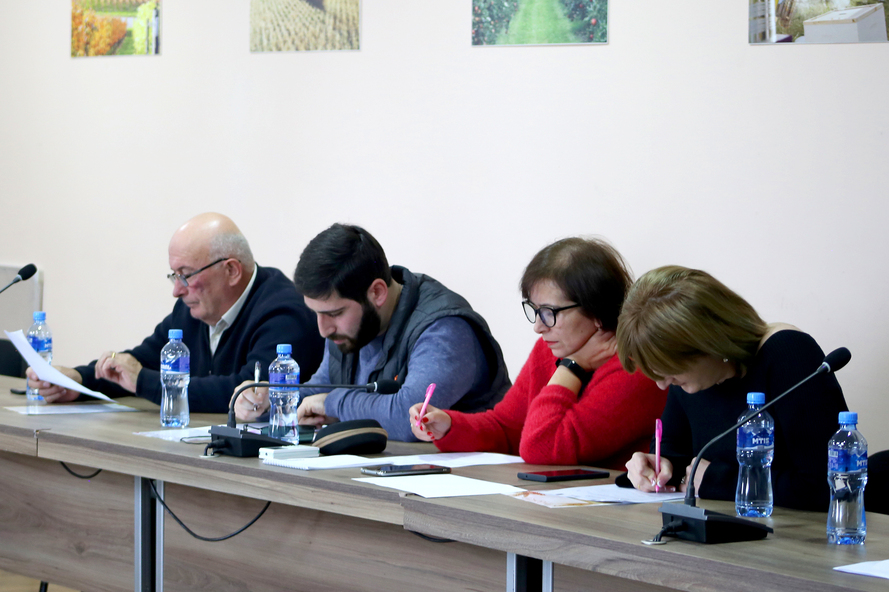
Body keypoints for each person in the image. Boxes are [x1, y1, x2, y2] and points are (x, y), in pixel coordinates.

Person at [234, 223, 511, 441]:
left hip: (469, 484)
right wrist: (269, 403)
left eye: (334, 313)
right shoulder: (349, 329)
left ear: (377, 292)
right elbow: (318, 391)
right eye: (317, 313)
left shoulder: (444, 328)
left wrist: (333, 404)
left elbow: (410, 419)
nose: (323, 329)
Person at [25, 213, 324, 413]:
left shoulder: (285, 312)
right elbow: (143, 360)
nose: (177, 290)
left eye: (186, 275)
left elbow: (248, 392)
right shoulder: (195, 306)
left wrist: (144, 381)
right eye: (174, 276)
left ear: (231, 270)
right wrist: (78, 381)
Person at [408, 238, 666, 468]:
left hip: (615, 506)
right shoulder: (552, 348)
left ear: (597, 312)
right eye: (535, 310)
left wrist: (571, 367)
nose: (538, 327)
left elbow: (542, 445)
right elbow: (506, 428)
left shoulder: (634, 366)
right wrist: (449, 426)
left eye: (549, 313)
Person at [617, 265, 849, 511]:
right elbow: (678, 459)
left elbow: (829, 484)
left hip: (800, 530)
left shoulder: (789, 354)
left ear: (708, 343)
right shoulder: (691, 380)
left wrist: (720, 481)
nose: (662, 383)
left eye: (667, 370)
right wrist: (653, 467)